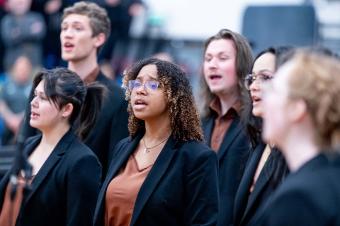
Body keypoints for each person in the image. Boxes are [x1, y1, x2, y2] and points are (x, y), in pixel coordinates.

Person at [93, 58, 219, 226]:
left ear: (173, 96)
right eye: (136, 84)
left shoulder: (197, 157)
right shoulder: (123, 147)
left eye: (153, 85)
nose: (140, 91)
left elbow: (203, 222)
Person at [19, 1, 129, 173]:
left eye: (77, 28)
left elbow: (115, 167)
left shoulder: (117, 99)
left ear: (99, 38)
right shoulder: (42, 85)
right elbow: (25, 143)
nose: (67, 34)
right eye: (64, 28)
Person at [0, 67, 104, 226]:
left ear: (67, 109)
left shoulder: (82, 161)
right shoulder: (28, 145)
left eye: (42, 97)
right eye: (35, 95)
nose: (33, 103)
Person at [255, 49, 340, 225]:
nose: (265, 96)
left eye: (274, 89)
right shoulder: (330, 177)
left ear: (296, 109)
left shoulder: (299, 200)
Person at [200, 28, 253, 226]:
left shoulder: (258, 122)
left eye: (222, 58)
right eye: (208, 58)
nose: (212, 65)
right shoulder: (200, 123)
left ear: (241, 65)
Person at [233, 47, 290, 226]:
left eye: (265, 78)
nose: (253, 86)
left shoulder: (295, 153)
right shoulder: (257, 144)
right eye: (252, 78)